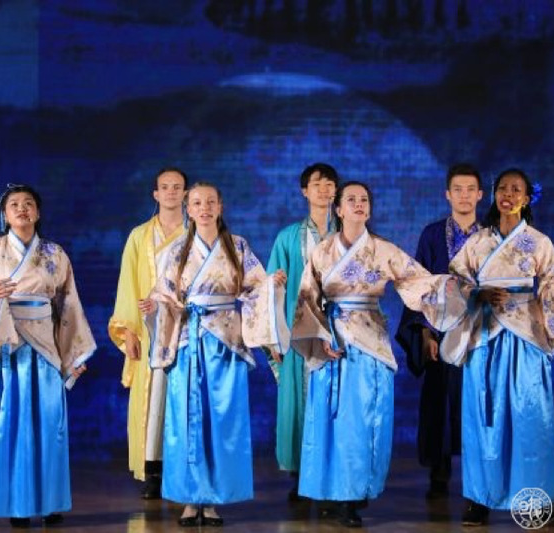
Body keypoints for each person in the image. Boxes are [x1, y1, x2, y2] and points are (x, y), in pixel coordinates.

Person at [417, 168, 554, 526]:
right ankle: (479, 498)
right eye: (503, 188)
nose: (508, 195)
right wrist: (477, 293)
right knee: (482, 420)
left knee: (530, 419)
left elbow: (550, 282)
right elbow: (454, 282)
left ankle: (536, 499)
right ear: (494, 194)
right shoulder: (478, 242)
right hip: (485, 336)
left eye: (516, 190)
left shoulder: (539, 242)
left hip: (525, 338)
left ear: (526, 198)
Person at [291, 181, 443, 528]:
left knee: (360, 422)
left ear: (369, 210)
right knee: (331, 420)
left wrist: (448, 286)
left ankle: (353, 495)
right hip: (332, 342)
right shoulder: (322, 251)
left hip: (370, 343)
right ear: (338, 209)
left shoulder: (383, 250)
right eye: (351, 200)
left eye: (364, 200)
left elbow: (417, 281)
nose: (358, 204)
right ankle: (331, 492)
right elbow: (307, 298)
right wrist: (319, 336)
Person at [139, 182, 288, 527]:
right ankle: (190, 500)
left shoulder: (238, 246)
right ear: (189, 210)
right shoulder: (177, 251)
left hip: (226, 344)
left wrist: (271, 284)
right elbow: (165, 294)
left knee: (223, 421)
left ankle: (215, 499)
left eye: (210, 202)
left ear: (220, 206)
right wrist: (155, 306)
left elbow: (255, 289)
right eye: (197, 203)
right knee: (186, 421)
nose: (204, 208)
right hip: (188, 342)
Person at [0, 184, 96, 528]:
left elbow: (69, 305)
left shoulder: (55, 254)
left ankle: (50, 503)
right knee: (7, 427)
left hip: (44, 348)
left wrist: (73, 355)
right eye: (14, 205)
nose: (22, 209)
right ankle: (16, 506)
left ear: (38, 212)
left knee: (48, 425)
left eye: (29, 204)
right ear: (4, 215)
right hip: (5, 348)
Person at [395, 163, 483, 499]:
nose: (464, 195)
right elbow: (420, 285)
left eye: (470, 189)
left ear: (480, 194)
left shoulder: (491, 236)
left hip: (480, 329)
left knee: (477, 399)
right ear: (448, 194)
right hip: (442, 329)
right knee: (440, 400)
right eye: (457, 189)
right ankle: (439, 473)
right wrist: (425, 333)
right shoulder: (432, 235)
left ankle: (480, 475)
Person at [108, 168, 188, 499]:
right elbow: (128, 282)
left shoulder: (195, 234)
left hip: (184, 328)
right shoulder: (139, 236)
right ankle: (152, 470)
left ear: (185, 194)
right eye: (164, 187)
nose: (171, 192)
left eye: (177, 187)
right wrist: (129, 330)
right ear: (155, 193)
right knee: (150, 397)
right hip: (148, 328)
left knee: (181, 397)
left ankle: (181, 469)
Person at [266, 162, 339, 500]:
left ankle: (333, 477)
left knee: (335, 401)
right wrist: (274, 334)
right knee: (300, 401)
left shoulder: (349, 234)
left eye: (329, 184)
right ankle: (301, 478)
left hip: (339, 329)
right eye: (317, 184)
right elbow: (270, 289)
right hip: (299, 331)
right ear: (304, 191)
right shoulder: (288, 237)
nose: (324, 190)